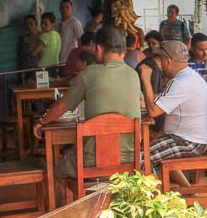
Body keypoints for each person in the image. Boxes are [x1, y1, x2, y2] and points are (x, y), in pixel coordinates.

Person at [34, 26, 141, 179]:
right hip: (130, 162)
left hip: (92, 162)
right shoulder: (134, 76)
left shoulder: (88, 74)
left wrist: (41, 121)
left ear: (98, 48)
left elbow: (61, 106)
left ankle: (75, 202)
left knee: (55, 170)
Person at [142, 40, 207, 187]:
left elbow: (153, 111)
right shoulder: (189, 76)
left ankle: (158, 203)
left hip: (187, 142)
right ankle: (189, 190)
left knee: (142, 158)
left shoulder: (180, 82)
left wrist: (146, 80)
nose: (158, 64)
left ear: (168, 61)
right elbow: (161, 101)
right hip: (193, 138)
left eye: (159, 60)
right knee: (157, 147)